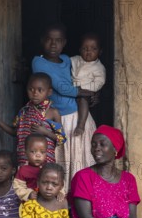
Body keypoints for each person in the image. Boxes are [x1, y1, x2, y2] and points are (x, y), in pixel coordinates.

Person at [32, 24, 97, 192]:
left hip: (78, 118)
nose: (53, 44)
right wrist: (86, 93)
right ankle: (61, 204)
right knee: (61, 162)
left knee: (80, 160)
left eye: (59, 40)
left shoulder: (68, 60)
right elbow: (61, 87)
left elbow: (83, 77)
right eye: (49, 39)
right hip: (57, 120)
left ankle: (82, 200)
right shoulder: (38, 62)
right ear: (41, 41)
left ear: (65, 43)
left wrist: (95, 92)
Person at [0, 73, 66, 166]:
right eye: (31, 89)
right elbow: (15, 132)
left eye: (40, 90)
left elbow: (61, 138)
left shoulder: (53, 112)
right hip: (24, 161)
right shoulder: (23, 111)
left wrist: (45, 132)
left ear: (49, 92)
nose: (35, 93)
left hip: (45, 162)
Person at [71, 33, 106, 137]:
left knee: (83, 101)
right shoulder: (76, 60)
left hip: (86, 92)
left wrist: (85, 90)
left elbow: (99, 82)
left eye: (93, 49)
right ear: (80, 50)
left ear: (100, 51)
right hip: (72, 90)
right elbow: (64, 63)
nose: (88, 52)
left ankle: (81, 125)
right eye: (84, 48)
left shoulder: (99, 67)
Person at [13, 134, 65, 203]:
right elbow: (18, 187)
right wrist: (28, 194)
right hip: (31, 202)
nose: (38, 155)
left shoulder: (49, 168)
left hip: (48, 201)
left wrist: (60, 192)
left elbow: (59, 181)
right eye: (33, 152)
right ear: (25, 153)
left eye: (42, 152)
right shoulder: (23, 170)